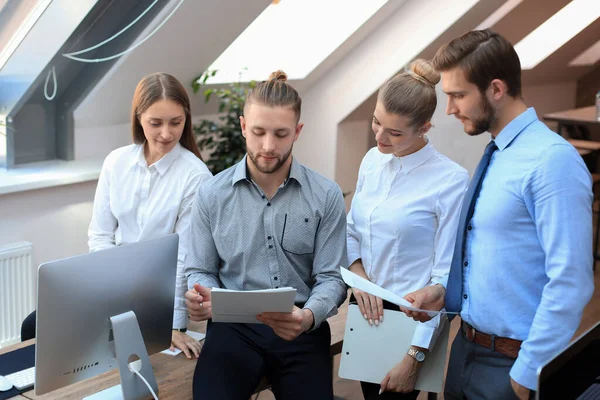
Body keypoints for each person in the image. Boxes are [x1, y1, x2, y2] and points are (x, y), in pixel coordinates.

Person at [402, 30, 594, 400]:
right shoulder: (499, 151)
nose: (449, 109)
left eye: (458, 95)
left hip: (513, 364)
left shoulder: (551, 161)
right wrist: (444, 292)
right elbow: (490, 249)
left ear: (496, 89)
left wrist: (527, 373)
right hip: (465, 350)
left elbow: (571, 279)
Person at [184, 70, 348, 400]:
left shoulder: (325, 195)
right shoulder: (211, 195)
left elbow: (332, 277)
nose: (268, 146)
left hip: (300, 326)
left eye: (281, 134)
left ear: (297, 132)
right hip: (233, 332)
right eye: (258, 132)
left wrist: (308, 316)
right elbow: (200, 270)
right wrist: (202, 296)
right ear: (244, 126)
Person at [346, 59, 468, 399]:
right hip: (366, 306)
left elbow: (444, 277)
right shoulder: (372, 160)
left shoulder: (450, 181)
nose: (380, 136)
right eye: (376, 122)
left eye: (394, 132)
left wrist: (415, 356)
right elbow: (351, 229)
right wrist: (361, 279)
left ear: (425, 127)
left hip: (413, 320)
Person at [86, 72, 212, 357]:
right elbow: (100, 235)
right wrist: (108, 291)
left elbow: (183, 256)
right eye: (155, 123)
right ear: (139, 117)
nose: (166, 134)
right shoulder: (116, 163)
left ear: (186, 120)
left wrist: (174, 326)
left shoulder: (196, 176)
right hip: (113, 286)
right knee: (35, 326)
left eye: (175, 123)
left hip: (159, 299)